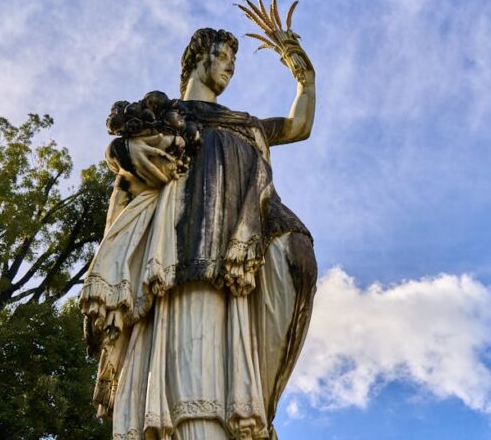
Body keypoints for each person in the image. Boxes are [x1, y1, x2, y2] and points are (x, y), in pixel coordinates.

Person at [79, 27, 317, 440]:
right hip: (174, 259)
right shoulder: (167, 117)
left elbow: (298, 125)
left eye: (234, 61)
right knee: (191, 377)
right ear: (198, 58)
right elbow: (121, 157)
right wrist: (123, 152)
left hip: (236, 263)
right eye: (224, 56)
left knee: (297, 261)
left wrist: (304, 79)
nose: (230, 66)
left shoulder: (243, 125)